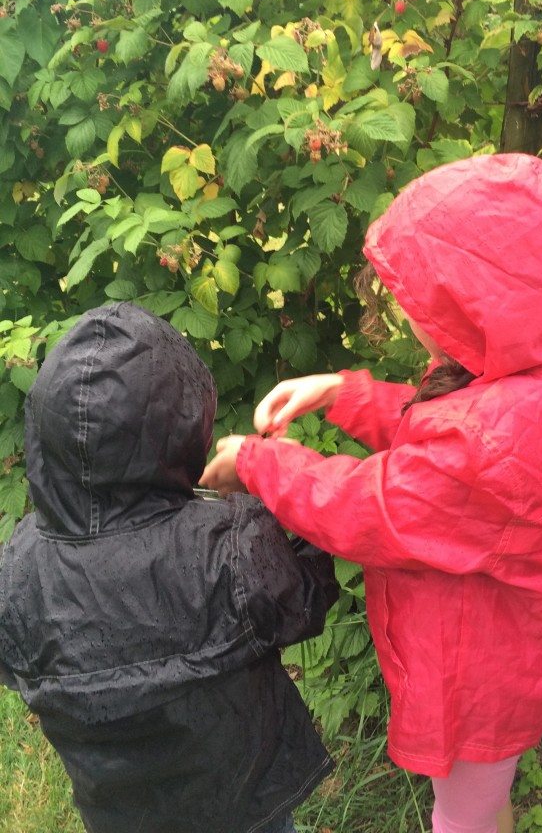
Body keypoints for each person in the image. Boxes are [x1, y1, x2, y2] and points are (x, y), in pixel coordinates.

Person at [201, 153, 542, 833]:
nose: (412, 316)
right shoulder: (527, 372)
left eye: (421, 303)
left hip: (489, 671)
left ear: (475, 304)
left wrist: (259, 464)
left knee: (463, 816)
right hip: (506, 636)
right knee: (480, 798)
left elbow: (373, 505)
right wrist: (340, 392)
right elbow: (437, 434)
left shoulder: (488, 442)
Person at [0, 302, 338, 833]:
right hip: (242, 799)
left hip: (117, 811)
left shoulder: (17, 568)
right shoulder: (230, 542)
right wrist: (278, 478)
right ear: (181, 425)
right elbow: (310, 590)